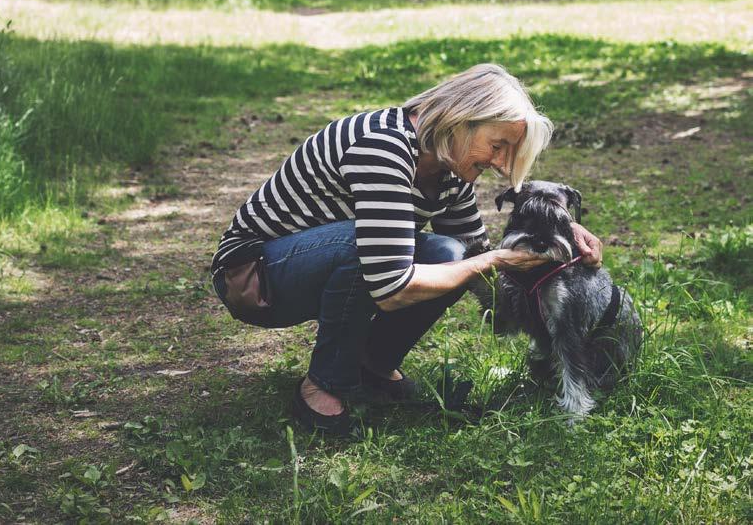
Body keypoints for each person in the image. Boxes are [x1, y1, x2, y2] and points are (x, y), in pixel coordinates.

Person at [210, 63, 602, 434]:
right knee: (366, 247)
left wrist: (558, 233)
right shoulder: (385, 145)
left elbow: (478, 262)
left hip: (315, 265)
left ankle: (373, 366)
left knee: (452, 254)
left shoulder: (451, 170)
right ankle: (324, 385)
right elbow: (391, 285)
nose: (502, 165)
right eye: (497, 146)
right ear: (462, 119)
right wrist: (495, 258)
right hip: (253, 278)